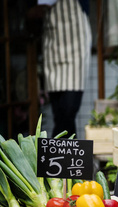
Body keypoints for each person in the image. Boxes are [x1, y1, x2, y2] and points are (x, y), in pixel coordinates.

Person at [41, 0, 92, 138]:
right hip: (53, 44)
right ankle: (66, 156)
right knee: (59, 113)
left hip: (77, 44)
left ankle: (56, 153)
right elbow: (30, 12)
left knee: (69, 110)